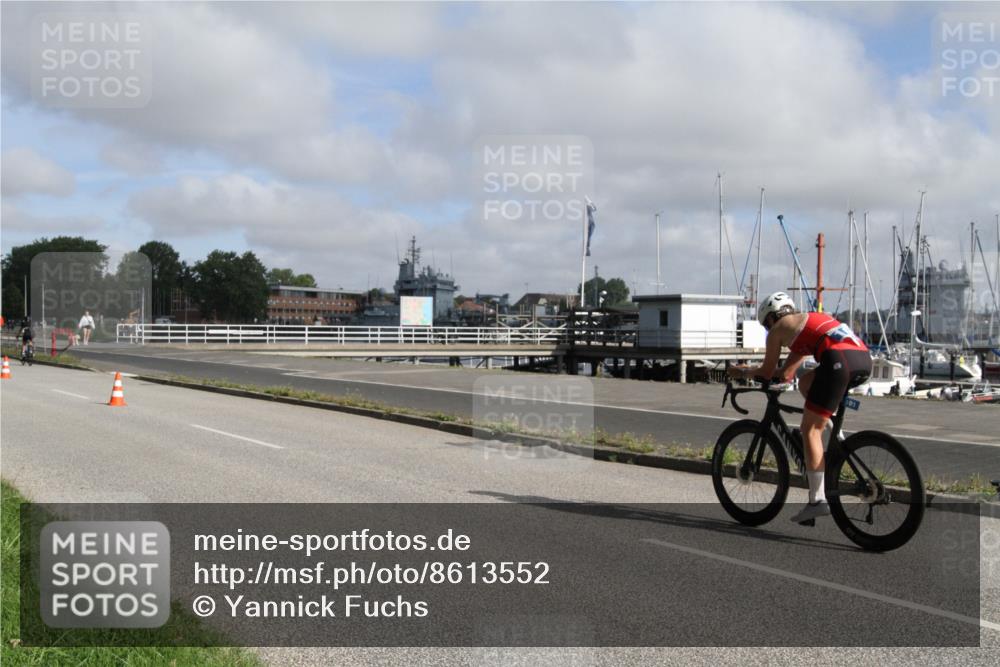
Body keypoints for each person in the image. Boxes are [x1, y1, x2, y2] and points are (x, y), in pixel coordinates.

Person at [728, 292, 872, 524]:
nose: (768, 330)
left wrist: (743, 372)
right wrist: (767, 373)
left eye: (766, 325)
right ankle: (833, 430)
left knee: (810, 430)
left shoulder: (778, 329)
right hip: (862, 359)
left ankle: (817, 501)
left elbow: (767, 372)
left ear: (771, 318)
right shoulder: (806, 323)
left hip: (838, 361)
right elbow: (786, 374)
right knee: (806, 383)